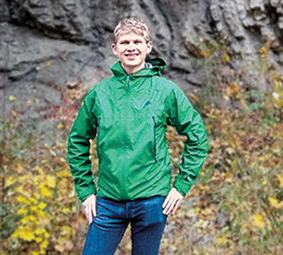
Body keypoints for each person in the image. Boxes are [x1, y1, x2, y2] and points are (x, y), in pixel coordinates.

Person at [67, 17, 208, 255]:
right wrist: (86, 191)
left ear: (148, 46)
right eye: (124, 42)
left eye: (137, 41)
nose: (131, 47)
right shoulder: (100, 94)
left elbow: (198, 137)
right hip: (108, 201)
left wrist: (181, 186)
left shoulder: (165, 91)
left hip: (152, 200)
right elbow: (77, 141)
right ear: (115, 49)